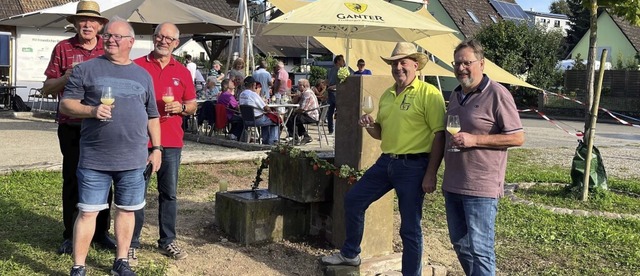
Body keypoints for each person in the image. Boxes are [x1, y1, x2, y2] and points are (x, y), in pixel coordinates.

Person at [321, 42, 446, 276]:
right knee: (354, 200)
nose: (398, 67)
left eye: (403, 63)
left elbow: (440, 135)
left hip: (414, 165)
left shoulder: (430, 93)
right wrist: (369, 127)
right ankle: (351, 254)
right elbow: (382, 132)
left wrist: (431, 172)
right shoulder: (388, 94)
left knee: (409, 228)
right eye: (394, 63)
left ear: (416, 65)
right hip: (386, 161)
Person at [60, 17, 162, 276]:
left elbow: (152, 115)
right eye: (107, 36)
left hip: (133, 158)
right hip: (95, 158)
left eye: (116, 36)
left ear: (130, 41)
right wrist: (92, 110)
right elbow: (66, 104)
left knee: (126, 211)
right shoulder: (87, 69)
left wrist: (157, 148)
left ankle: (121, 261)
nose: (110, 40)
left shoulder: (143, 74)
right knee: (87, 212)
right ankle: (79, 266)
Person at [443, 39, 524, 276]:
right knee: (460, 245)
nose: (461, 68)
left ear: (482, 63)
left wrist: (475, 140)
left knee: (480, 249)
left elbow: (517, 138)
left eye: (467, 62)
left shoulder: (498, 94)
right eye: (457, 63)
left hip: (481, 187)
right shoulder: (456, 96)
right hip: (453, 184)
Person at [42, 0, 115, 256]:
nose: (87, 24)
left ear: (99, 25)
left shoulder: (108, 48)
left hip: (102, 126)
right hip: (72, 125)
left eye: (92, 20)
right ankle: (70, 234)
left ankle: (102, 233)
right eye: (82, 20)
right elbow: (47, 87)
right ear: (74, 23)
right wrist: (66, 77)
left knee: (106, 179)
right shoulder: (63, 48)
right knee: (73, 178)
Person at [130, 22, 198, 265]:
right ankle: (131, 243)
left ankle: (167, 239)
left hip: (171, 141)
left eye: (169, 39)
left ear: (176, 43)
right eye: (160, 36)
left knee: (168, 194)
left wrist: (181, 108)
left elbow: (192, 104)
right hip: (140, 140)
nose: (163, 41)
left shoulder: (182, 71)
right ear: (153, 38)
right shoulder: (136, 66)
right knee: (136, 194)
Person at [238, 76, 280, 145]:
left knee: (267, 120)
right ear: (253, 85)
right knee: (276, 119)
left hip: (246, 120)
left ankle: (266, 141)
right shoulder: (253, 94)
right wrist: (271, 111)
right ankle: (272, 141)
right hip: (256, 120)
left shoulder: (242, 94)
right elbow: (266, 108)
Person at [286, 79, 319, 145]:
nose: (297, 87)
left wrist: (295, 111)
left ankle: (295, 138)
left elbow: (302, 109)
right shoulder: (304, 92)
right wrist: (297, 96)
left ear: (303, 86)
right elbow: (293, 102)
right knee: (293, 118)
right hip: (309, 114)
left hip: (311, 115)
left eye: (299, 85)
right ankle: (305, 136)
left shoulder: (307, 93)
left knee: (291, 119)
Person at [326, 55, 347, 135]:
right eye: (342, 60)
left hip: (330, 91)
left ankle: (330, 129)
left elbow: (327, 80)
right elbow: (342, 82)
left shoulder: (330, 70)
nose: (343, 62)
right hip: (336, 92)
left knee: (330, 112)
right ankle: (340, 128)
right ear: (338, 61)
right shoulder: (341, 71)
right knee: (339, 110)